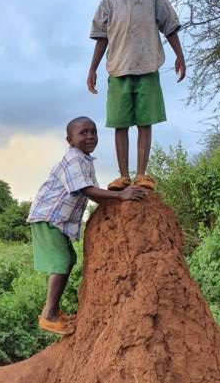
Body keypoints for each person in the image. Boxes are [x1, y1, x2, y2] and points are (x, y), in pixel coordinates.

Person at [27, 116, 146, 336]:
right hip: (48, 217)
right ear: (70, 140)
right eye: (83, 133)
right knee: (62, 261)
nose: (90, 136)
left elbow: (96, 195)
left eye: (93, 132)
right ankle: (49, 315)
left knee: (69, 259)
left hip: (57, 220)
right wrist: (121, 196)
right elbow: (86, 190)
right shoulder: (73, 158)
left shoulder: (85, 161)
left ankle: (53, 312)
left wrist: (119, 204)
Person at [87, 0, 186, 191]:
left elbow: (169, 27)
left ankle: (141, 174)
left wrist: (179, 56)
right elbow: (101, 37)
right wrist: (92, 68)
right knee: (120, 123)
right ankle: (123, 176)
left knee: (144, 121)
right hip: (118, 70)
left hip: (147, 68)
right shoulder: (109, 0)